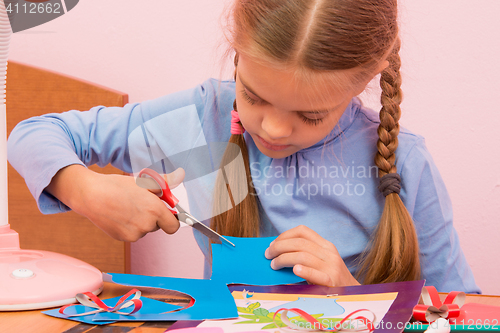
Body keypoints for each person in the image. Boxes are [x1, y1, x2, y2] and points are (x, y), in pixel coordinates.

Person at [7, 0, 480, 292]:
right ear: (237, 51)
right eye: (252, 95)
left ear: (369, 77)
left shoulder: (404, 163)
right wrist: (86, 191)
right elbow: (34, 133)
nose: (272, 129)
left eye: (310, 114)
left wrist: (352, 300)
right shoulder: (201, 121)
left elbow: (464, 316)